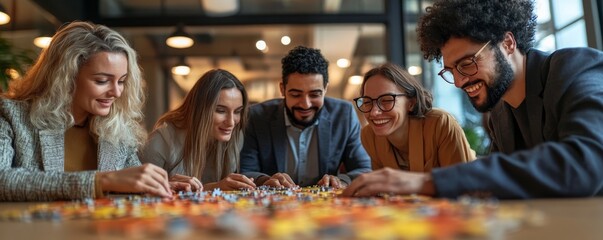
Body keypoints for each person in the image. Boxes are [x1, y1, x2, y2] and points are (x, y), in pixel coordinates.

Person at [343, 0, 603, 199]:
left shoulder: (574, 68)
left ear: (508, 42)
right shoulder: (501, 113)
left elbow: (585, 163)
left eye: (466, 63)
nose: (458, 81)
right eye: (450, 70)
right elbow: (498, 186)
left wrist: (425, 182)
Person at [0, 21, 179, 201]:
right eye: (102, 81)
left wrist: (155, 185)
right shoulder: (11, 115)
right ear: (65, 78)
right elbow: (2, 180)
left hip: (99, 228)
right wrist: (99, 181)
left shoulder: (117, 128)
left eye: (122, 81)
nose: (116, 92)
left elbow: (126, 183)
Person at [240, 45, 372, 188]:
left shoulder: (344, 114)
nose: (305, 104)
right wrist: (264, 180)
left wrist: (342, 181)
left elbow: (363, 169)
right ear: (282, 89)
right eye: (296, 94)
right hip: (274, 205)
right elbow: (246, 171)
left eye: (315, 94)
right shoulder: (256, 116)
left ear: (325, 89)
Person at [140, 69, 255, 191]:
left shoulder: (236, 137)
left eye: (237, 112)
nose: (231, 122)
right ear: (200, 109)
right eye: (221, 111)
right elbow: (138, 192)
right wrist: (213, 187)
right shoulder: (161, 140)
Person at [354, 63, 474, 173]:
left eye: (386, 100)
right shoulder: (369, 135)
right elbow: (381, 191)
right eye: (367, 102)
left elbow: (461, 183)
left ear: (411, 103)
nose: (374, 112)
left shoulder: (440, 124)